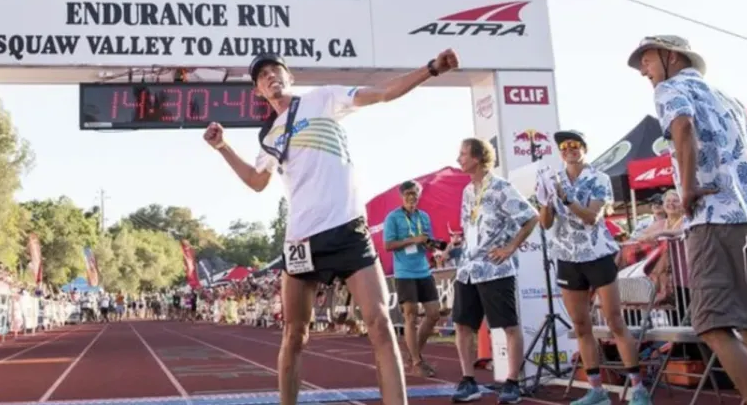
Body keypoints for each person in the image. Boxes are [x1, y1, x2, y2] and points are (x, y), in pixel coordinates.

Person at [205, 49, 459, 405]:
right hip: (301, 239)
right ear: (258, 91)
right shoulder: (269, 135)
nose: (270, 77)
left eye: (276, 71)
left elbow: (383, 93)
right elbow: (256, 181)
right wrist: (223, 147)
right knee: (295, 335)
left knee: (381, 324)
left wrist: (429, 69)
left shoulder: (323, 98)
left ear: (289, 77)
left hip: (346, 229)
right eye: (262, 77)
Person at [627, 35, 747, 405]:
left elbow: (683, 128)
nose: (643, 71)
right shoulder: (728, 98)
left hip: (712, 219)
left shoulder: (669, 90)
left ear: (671, 57)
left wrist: (690, 187)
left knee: (712, 326)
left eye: (646, 61)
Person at [539, 130, 650, 405]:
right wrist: (544, 200)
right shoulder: (555, 180)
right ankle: (596, 391)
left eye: (575, 145)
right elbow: (545, 224)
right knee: (580, 325)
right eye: (564, 146)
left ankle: (638, 388)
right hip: (567, 257)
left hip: (597, 255)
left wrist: (565, 199)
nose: (569, 149)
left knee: (614, 321)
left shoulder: (599, 178)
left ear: (584, 149)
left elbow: (591, 217)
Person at [448, 137, 538, 404]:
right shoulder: (466, 191)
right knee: (462, 326)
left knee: (508, 326)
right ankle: (468, 381)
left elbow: (531, 217)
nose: (459, 159)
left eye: (463, 154)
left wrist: (511, 247)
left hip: (494, 269)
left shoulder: (501, 187)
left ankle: (512, 382)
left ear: (477, 157)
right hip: (467, 269)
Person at [383, 180, 442, 377]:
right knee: (411, 316)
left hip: (423, 270)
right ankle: (417, 361)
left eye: (415, 193)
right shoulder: (393, 217)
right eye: (408, 193)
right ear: (402, 195)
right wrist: (413, 240)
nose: (412, 197)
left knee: (434, 314)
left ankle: (413, 353)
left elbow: (427, 241)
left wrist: (431, 244)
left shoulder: (424, 216)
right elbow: (388, 245)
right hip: (404, 272)